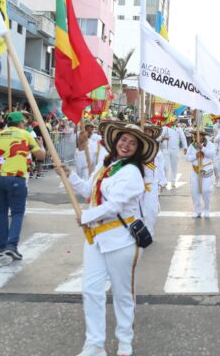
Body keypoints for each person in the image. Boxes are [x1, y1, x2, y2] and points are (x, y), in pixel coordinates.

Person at [60, 123, 157, 356]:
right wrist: (69, 174)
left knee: (123, 294)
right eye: (123, 140)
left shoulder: (133, 172)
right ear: (115, 141)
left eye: (132, 143)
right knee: (91, 290)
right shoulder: (107, 166)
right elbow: (89, 192)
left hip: (122, 240)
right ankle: (94, 344)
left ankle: (125, 341)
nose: (126, 145)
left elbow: (115, 206)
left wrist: (86, 216)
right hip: (95, 239)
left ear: (137, 149)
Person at [0, 111, 46, 260]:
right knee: (17, 213)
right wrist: (41, 146)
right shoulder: (25, 134)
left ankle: (0, 247)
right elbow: (41, 156)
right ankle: (11, 245)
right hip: (15, 177)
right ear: (20, 123)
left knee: (1, 212)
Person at [186, 129, 216, 218]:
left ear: (203, 136)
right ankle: (197, 210)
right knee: (194, 191)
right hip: (195, 170)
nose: (196, 137)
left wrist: (202, 149)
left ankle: (207, 209)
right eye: (195, 135)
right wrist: (195, 155)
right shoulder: (192, 146)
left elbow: (212, 154)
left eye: (198, 135)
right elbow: (187, 158)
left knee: (206, 190)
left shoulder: (210, 145)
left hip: (207, 170)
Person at [142, 124, 166, 235]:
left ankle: (149, 231)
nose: (147, 133)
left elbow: (161, 168)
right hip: (136, 183)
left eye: (149, 132)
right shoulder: (136, 148)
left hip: (152, 184)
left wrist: (161, 182)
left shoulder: (157, 151)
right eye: (145, 131)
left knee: (152, 210)